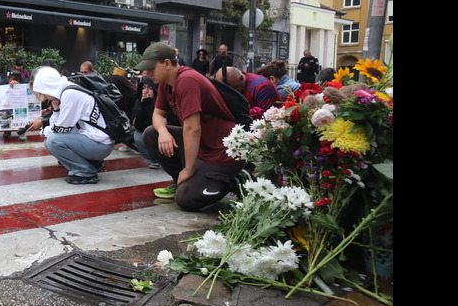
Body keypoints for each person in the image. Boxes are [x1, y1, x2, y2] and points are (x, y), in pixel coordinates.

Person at [136, 43, 247, 210]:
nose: (148, 74)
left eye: (151, 68)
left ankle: (234, 181)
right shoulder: (166, 83)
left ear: (167, 63)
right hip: (202, 145)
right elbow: (158, 115)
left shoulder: (187, 81)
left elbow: (192, 128)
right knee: (152, 134)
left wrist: (188, 169)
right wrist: (163, 131)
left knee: (186, 200)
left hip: (222, 152)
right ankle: (180, 180)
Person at [31, 67, 114, 185]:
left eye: (42, 91)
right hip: (99, 141)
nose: (43, 96)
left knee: (52, 141)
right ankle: (91, 163)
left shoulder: (69, 95)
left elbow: (61, 129)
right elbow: (60, 126)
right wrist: (55, 109)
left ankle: (85, 171)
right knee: (53, 139)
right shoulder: (68, 89)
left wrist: (43, 131)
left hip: (100, 146)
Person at [214, 66, 281, 116]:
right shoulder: (237, 82)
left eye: (234, 88)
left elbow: (268, 119)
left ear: (241, 78)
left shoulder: (262, 87)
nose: (231, 93)